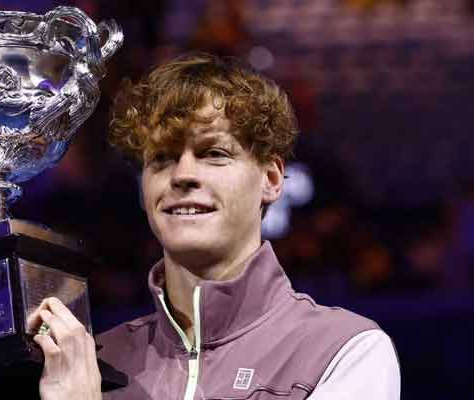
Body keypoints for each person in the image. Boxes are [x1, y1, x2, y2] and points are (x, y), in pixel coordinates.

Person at [30, 52, 400, 400]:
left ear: (271, 179)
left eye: (213, 154)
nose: (183, 175)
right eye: (162, 158)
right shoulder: (94, 363)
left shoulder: (343, 349)